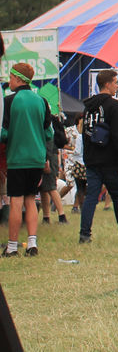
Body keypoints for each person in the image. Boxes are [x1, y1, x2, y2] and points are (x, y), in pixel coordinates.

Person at [76, 68, 118, 247]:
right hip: (110, 159)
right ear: (107, 84)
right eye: (115, 82)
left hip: (92, 158)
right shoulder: (113, 105)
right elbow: (117, 136)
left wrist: (87, 156)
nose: (117, 86)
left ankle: (84, 234)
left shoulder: (88, 106)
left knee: (91, 196)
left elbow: (85, 132)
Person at [3, 63, 55, 256]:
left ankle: (12, 247)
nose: (9, 81)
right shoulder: (41, 101)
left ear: (17, 78)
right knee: (31, 200)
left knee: (16, 201)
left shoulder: (8, 101)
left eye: (10, 77)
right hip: (36, 159)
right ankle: (32, 244)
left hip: (17, 159)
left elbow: (3, 133)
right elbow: (49, 133)